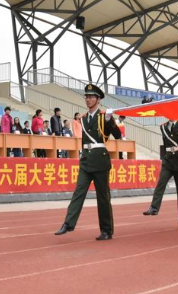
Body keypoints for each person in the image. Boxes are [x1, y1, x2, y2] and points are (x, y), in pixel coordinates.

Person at [55, 84, 122, 241]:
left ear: (98, 100)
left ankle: (106, 230)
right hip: (86, 159)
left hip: (100, 159)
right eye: (86, 96)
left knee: (103, 197)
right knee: (79, 191)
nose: (88, 99)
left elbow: (117, 135)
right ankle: (68, 223)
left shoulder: (104, 116)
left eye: (91, 97)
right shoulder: (83, 119)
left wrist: (110, 120)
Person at [143, 119, 178, 230]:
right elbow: (165, 144)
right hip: (168, 159)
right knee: (161, 182)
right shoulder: (163, 126)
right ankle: (154, 207)